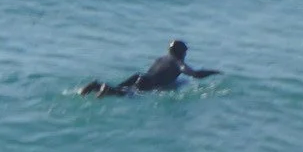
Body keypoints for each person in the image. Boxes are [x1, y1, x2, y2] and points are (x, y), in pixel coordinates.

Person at [79, 40, 219, 97]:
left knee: (122, 89)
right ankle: (106, 89)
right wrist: (213, 72)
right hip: (148, 83)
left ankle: (96, 86)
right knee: (126, 95)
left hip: (139, 76)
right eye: (185, 51)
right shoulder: (178, 63)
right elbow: (194, 74)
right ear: (181, 52)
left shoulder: (161, 59)